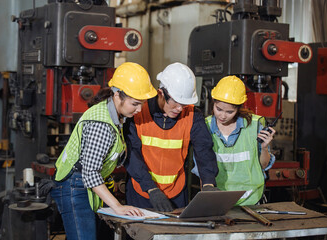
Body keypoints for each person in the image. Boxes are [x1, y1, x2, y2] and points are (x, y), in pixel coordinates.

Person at [50, 62, 157, 240]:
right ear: (117, 95)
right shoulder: (101, 124)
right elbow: (90, 173)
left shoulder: (115, 115)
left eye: (142, 104)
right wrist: (118, 206)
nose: (139, 110)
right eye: (135, 104)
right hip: (75, 186)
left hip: (85, 185)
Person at [124, 62, 219, 212]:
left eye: (184, 104)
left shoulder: (193, 116)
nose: (180, 108)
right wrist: (150, 188)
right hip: (141, 191)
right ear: (161, 93)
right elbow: (132, 155)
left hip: (176, 193)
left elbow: (204, 151)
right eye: (175, 103)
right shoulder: (138, 112)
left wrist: (208, 183)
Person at [192, 75, 276, 206]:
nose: (222, 116)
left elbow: (263, 166)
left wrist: (265, 147)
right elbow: (202, 170)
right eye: (218, 109)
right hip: (218, 200)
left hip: (250, 200)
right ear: (213, 102)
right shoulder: (205, 126)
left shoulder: (254, 126)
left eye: (229, 111)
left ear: (238, 108)